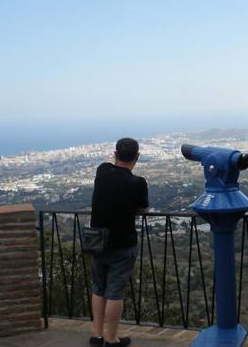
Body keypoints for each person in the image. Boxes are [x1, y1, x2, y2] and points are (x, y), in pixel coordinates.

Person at [89, 138, 149, 347]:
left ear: (115, 154)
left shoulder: (102, 171)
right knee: (115, 291)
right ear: (137, 156)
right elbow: (143, 208)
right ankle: (112, 339)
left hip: (97, 240)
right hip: (123, 243)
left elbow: (111, 165)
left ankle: (96, 336)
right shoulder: (137, 183)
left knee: (98, 288)